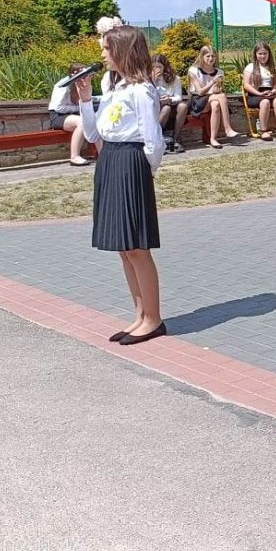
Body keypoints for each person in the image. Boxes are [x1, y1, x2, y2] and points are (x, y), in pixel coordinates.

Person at [72, 25, 166, 346]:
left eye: (106, 48)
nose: (102, 54)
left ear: (123, 51)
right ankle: (140, 314)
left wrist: (145, 172)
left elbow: (153, 140)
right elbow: (93, 134)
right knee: (124, 248)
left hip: (131, 163)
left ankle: (153, 318)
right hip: (110, 160)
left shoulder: (142, 91)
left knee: (137, 247)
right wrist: (86, 100)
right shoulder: (113, 88)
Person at [187, 45, 239, 149]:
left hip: (212, 99)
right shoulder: (193, 71)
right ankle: (227, 128)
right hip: (198, 101)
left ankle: (213, 139)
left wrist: (217, 89)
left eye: (213, 56)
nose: (211, 59)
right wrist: (212, 82)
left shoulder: (219, 72)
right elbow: (200, 92)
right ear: (202, 57)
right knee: (222, 97)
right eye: (208, 56)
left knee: (216, 104)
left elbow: (216, 90)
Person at [48, 63, 93, 167]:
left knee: (94, 120)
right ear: (74, 74)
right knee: (82, 122)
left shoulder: (84, 83)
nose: (85, 77)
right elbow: (58, 107)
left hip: (74, 114)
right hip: (59, 116)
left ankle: (101, 154)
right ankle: (74, 157)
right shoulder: (63, 85)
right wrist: (78, 107)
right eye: (83, 74)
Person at [243, 41, 276, 141]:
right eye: (260, 54)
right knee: (265, 102)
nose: (263, 56)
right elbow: (246, 85)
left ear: (269, 54)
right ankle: (263, 131)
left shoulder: (273, 68)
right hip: (255, 94)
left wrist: (273, 91)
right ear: (255, 54)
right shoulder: (250, 67)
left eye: (265, 53)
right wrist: (259, 93)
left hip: (269, 93)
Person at [150, 53, 188, 153]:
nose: (156, 69)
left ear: (164, 67)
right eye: (154, 67)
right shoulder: (149, 80)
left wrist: (169, 100)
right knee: (166, 108)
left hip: (172, 105)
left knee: (183, 106)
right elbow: (149, 96)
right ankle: (156, 138)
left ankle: (176, 139)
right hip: (158, 107)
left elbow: (178, 97)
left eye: (159, 67)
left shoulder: (174, 78)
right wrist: (154, 81)